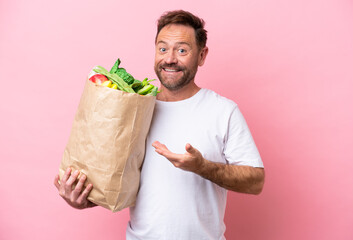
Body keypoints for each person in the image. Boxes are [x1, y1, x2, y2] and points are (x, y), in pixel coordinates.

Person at [54, 10, 265, 239]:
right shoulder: (131, 110)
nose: (170, 59)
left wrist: (201, 166)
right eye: (163, 48)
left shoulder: (224, 111)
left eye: (182, 50)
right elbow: (114, 185)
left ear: (202, 56)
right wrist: (79, 198)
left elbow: (255, 182)